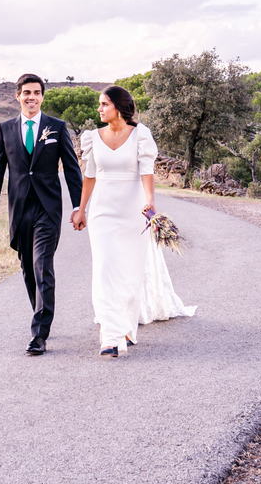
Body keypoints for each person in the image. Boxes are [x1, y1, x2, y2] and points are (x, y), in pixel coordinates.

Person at [73, 85, 195, 358]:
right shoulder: (92, 137)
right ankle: (110, 335)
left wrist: (150, 201)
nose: (100, 109)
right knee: (104, 269)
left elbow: (147, 170)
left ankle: (126, 327)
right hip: (102, 210)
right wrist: (81, 209)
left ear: (119, 107)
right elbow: (90, 175)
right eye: (100, 104)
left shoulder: (141, 135)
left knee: (129, 271)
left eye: (104, 104)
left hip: (133, 210)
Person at [0, 74, 84, 356]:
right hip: (19, 211)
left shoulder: (57, 127)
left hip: (48, 210)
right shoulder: (5, 129)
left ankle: (39, 334)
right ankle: (41, 312)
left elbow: (73, 170)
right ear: (18, 96)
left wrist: (78, 207)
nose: (32, 97)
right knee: (28, 269)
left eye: (37, 93)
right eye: (27, 92)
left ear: (42, 96)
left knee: (42, 266)